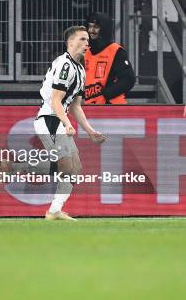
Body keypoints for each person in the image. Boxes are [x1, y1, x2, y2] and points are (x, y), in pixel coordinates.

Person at [34, 26, 105, 220]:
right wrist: (67, 123)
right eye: (82, 39)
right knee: (65, 166)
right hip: (49, 119)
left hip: (59, 119)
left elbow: (75, 105)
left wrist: (90, 131)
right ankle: (12, 169)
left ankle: (55, 210)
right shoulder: (64, 65)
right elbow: (55, 100)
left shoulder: (80, 69)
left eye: (87, 40)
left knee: (75, 167)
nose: (87, 43)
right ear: (70, 42)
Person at [84, 12, 135, 104]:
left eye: (96, 27)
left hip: (112, 108)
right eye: (90, 26)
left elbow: (129, 79)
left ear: (104, 29)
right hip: (91, 107)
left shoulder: (116, 51)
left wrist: (105, 95)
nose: (91, 30)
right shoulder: (85, 51)